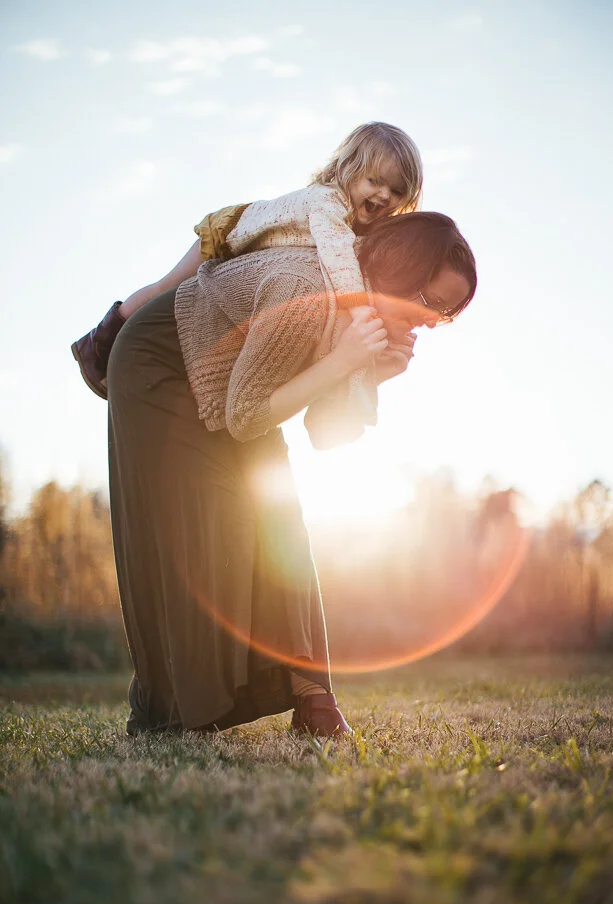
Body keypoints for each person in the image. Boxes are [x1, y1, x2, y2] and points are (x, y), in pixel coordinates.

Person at [108, 211, 476, 738]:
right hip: (161, 366)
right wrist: (345, 361)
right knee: (209, 524)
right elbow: (245, 416)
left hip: (232, 389)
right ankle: (180, 711)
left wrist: (373, 373)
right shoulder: (302, 291)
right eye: (427, 302)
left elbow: (324, 432)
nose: (427, 321)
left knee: (281, 520)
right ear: (399, 272)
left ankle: (314, 701)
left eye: (442, 314)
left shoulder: (355, 313)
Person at [73, 120, 424, 437]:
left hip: (249, 262)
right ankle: (99, 342)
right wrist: (361, 311)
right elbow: (338, 261)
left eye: (395, 191)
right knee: (168, 286)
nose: (383, 195)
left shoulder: (358, 225)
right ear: (348, 169)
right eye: (374, 181)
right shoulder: (328, 203)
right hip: (230, 234)